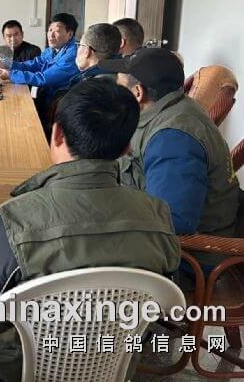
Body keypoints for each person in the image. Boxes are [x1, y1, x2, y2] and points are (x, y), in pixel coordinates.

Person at [0, 79, 180, 381]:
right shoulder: (158, 214)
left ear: (57, 133)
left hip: (23, 367)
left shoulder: (14, 220)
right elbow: (164, 299)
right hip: (115, 360)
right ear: (126, 147)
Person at [99, 49, 240, 248]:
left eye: (120, 87)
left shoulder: (172, 140)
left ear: (138, 93)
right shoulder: (171, 106)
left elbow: (172, 221)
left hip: (186, 253)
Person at [0, 13, 80, 107]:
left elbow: (43, 78)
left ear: (70, 34)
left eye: (57, 31)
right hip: (45, 96)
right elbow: (34, 65)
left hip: (57, 103)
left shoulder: (73, 55)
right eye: (50, 30)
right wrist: (6, 64)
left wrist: (10, 75)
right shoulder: (52, 50)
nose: (51, 35)